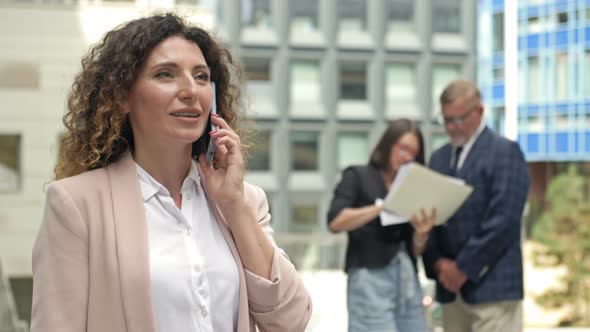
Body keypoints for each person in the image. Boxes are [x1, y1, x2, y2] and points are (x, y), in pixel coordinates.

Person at [31, 13, 312, 332]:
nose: (191, 90)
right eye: (166, 74)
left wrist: (234, 206)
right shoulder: (76, 204)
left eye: (202, 76)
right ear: (122, 96)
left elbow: (291, 319)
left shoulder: (244, 201)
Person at [423, 79, 530, 332]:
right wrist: (438, 264)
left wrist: (462, 268)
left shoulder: (505, 152)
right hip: (450, 292)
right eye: (447, 120)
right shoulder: (438, 159)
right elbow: (430, 219)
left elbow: (503, 220)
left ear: (479, 112)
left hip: (494, 288)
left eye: (459, 119)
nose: (452, 127)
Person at [327, 119, 436, 332]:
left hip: (407, 278)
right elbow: (335, 221)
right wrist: (382, 208)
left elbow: (415, 249)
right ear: (388, 145)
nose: (407, 157)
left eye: (414, 153)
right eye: (403, 148)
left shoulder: (411, 186)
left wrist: (421, 234)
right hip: (370, 278)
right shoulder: (358, 176)